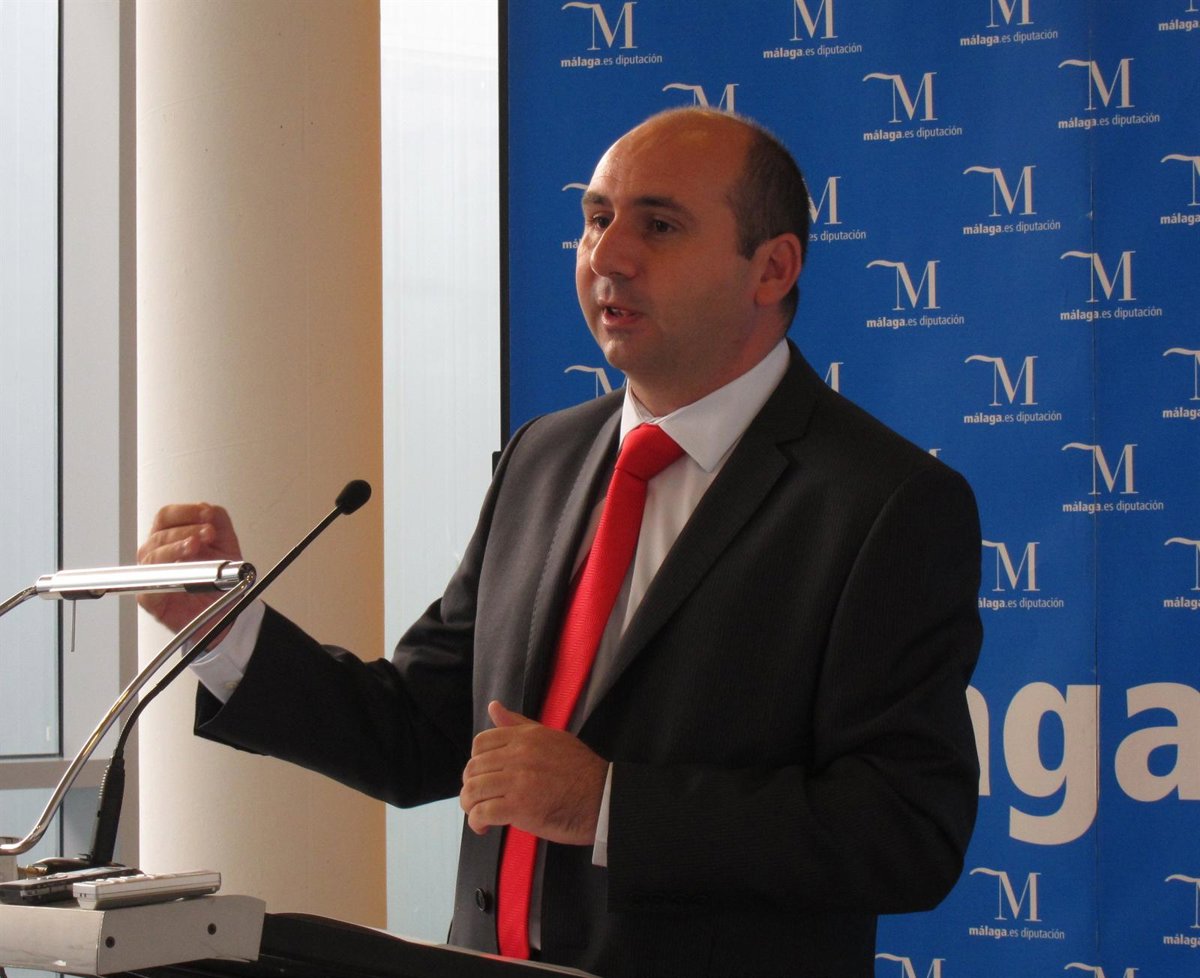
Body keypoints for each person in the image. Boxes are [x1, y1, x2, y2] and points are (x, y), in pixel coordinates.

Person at [138, 107, 982, 978]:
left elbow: (907, 829)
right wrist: (228, 636)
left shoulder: (883, 503)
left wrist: (609, 806)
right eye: (596, 218)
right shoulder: (543, 456)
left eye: (659, 225)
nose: (607, 255)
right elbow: (424, 731)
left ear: (772, 268)